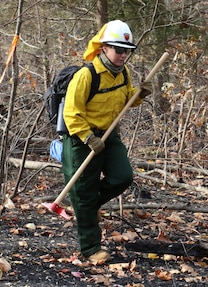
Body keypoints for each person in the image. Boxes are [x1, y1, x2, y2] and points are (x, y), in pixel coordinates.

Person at [61, 20, 152, 264]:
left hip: (109, 135)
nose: (123, 55)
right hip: (81, 139)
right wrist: (88, 137)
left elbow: (124, 101)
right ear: (104, 48)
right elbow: (71, 113)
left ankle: (86, 206)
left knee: (122, 177)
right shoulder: (86, 76)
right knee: (83, 190)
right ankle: (90, 249)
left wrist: (138, 95)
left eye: (127, 50)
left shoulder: (123, 73)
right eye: (118, 49)